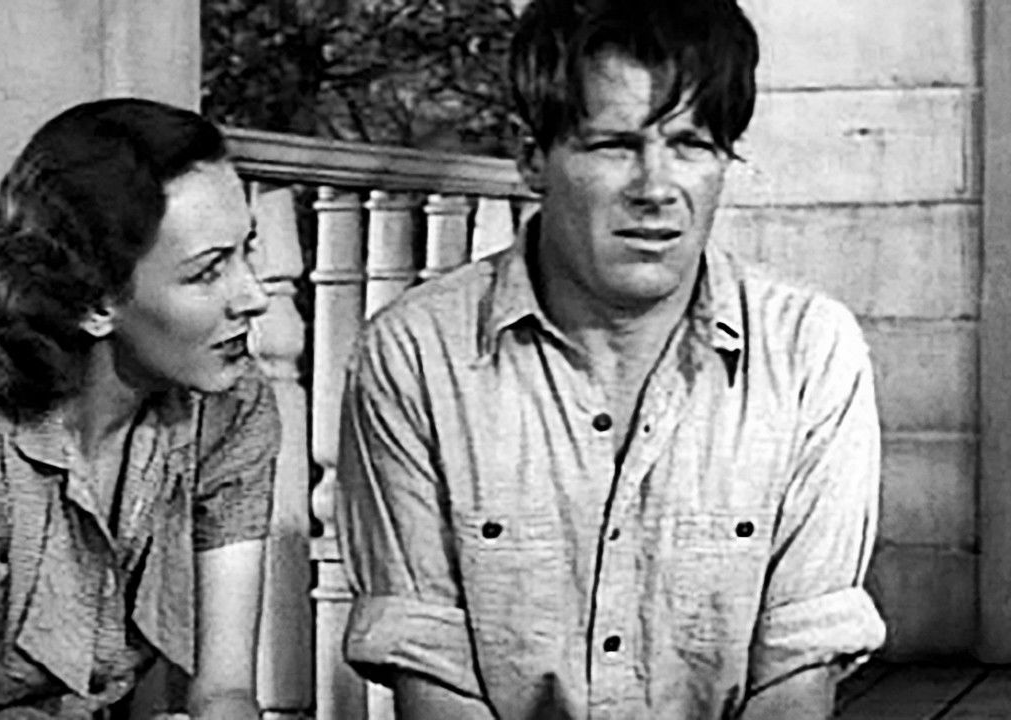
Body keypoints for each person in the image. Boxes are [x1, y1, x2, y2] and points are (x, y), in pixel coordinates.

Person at [335, 0, 886, 718]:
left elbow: (796, 679)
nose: (656, 189)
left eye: (691, 144)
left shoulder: (811, 352)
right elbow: (433, 680)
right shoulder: (415, 356)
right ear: (532, 157)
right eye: (614, 146)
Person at [0, 99, 278, 720]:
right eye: (208, 273)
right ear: (95, 302)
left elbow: (226, 693)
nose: (254, 296)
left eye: (247, 251)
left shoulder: (233, 407)